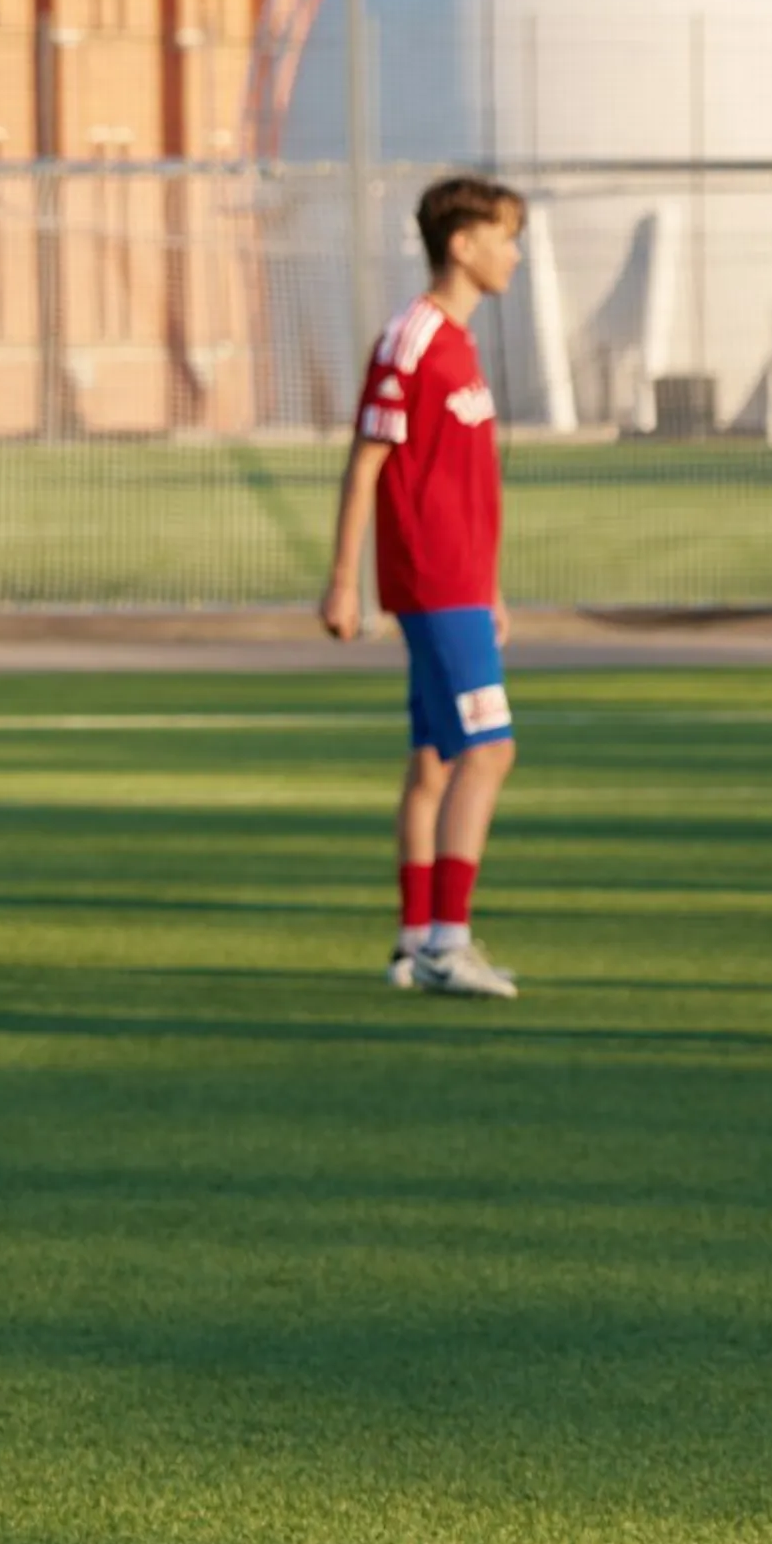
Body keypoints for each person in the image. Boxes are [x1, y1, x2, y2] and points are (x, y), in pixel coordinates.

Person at [320, 174, 527, 1002]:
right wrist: (345, 581)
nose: (514, 252)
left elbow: (462, 481)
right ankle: (450, 940)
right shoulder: (411, 338)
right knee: (491, 750)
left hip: (463, 587)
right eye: (506, 236)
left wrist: (492, 586)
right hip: (431, 585)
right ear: (463, 244)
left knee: (437, 761)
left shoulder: (461, 343)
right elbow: (367, 461)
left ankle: (413, 941)